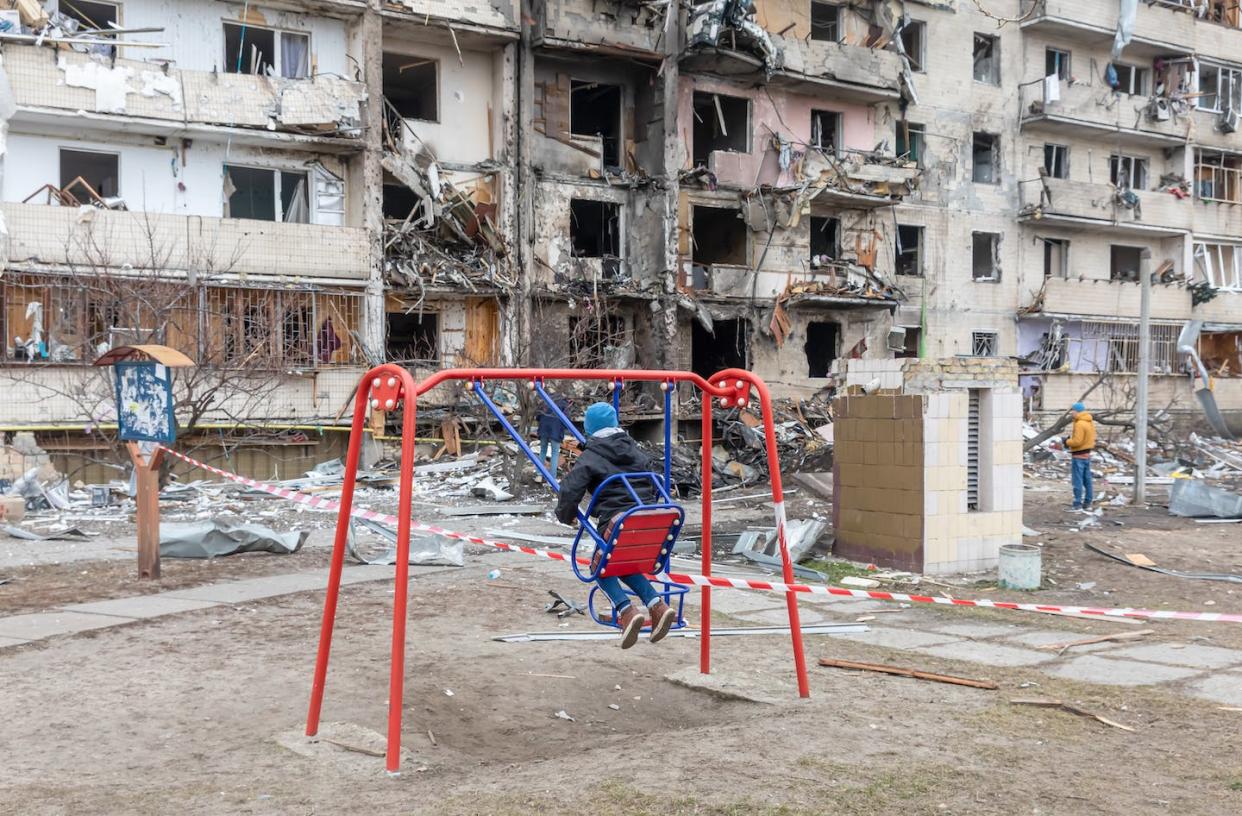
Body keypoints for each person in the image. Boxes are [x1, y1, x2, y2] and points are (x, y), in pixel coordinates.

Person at [555, 402, 677, 649]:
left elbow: (570, 489)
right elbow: (653, 483)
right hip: (646, 521)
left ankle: (626, 611)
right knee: (622, 563)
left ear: (590, 428)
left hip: (616, 520)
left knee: (600, 567)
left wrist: (565, 515)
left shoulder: (590, 457)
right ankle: (657, 605)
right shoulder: (636, 451)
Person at [1062, 402, 1096, 510]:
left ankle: (1077, 504)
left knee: (1077, 480)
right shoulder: (1089, 422)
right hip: (1087, 454)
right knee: (1087, 480)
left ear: (1077, 411)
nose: (1071, 413)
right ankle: (1088, 501)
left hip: (1078, 455)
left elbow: (1077, 441)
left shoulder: (1079, 424)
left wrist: (1067, 441)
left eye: (1072, 410)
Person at [536, 393, 570, 480]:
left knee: (543, 451)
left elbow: (538, 416)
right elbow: (566, 420)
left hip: (543, 429)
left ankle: (539, 475)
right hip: (556, 431)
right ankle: (551, 479)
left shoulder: (544, 400)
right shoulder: (563, 403)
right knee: (554, 454)